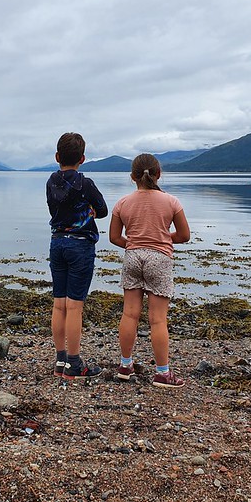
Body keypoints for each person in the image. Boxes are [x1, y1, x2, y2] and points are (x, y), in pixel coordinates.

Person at [108, 153, 191, 388]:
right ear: (159, 174)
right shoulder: (171, 202)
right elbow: (184, 235)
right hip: (159, 259)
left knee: (129, 314)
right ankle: (162, 373)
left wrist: (136, 244)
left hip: (133, 257)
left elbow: (114, 237)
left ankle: (125, 366)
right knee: (157, 320)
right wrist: (161, 239)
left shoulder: (123, 203)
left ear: (132, 177)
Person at [47, 132, 108, 381]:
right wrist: (89, 212)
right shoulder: (85, 183)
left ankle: (60, 360)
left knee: (58, 303)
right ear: (82, 158)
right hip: (80, 245)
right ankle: (73, 363)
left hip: (57, 243)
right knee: (74, 306)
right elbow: (103, 210)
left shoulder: (51, 181)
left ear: (57, 157)